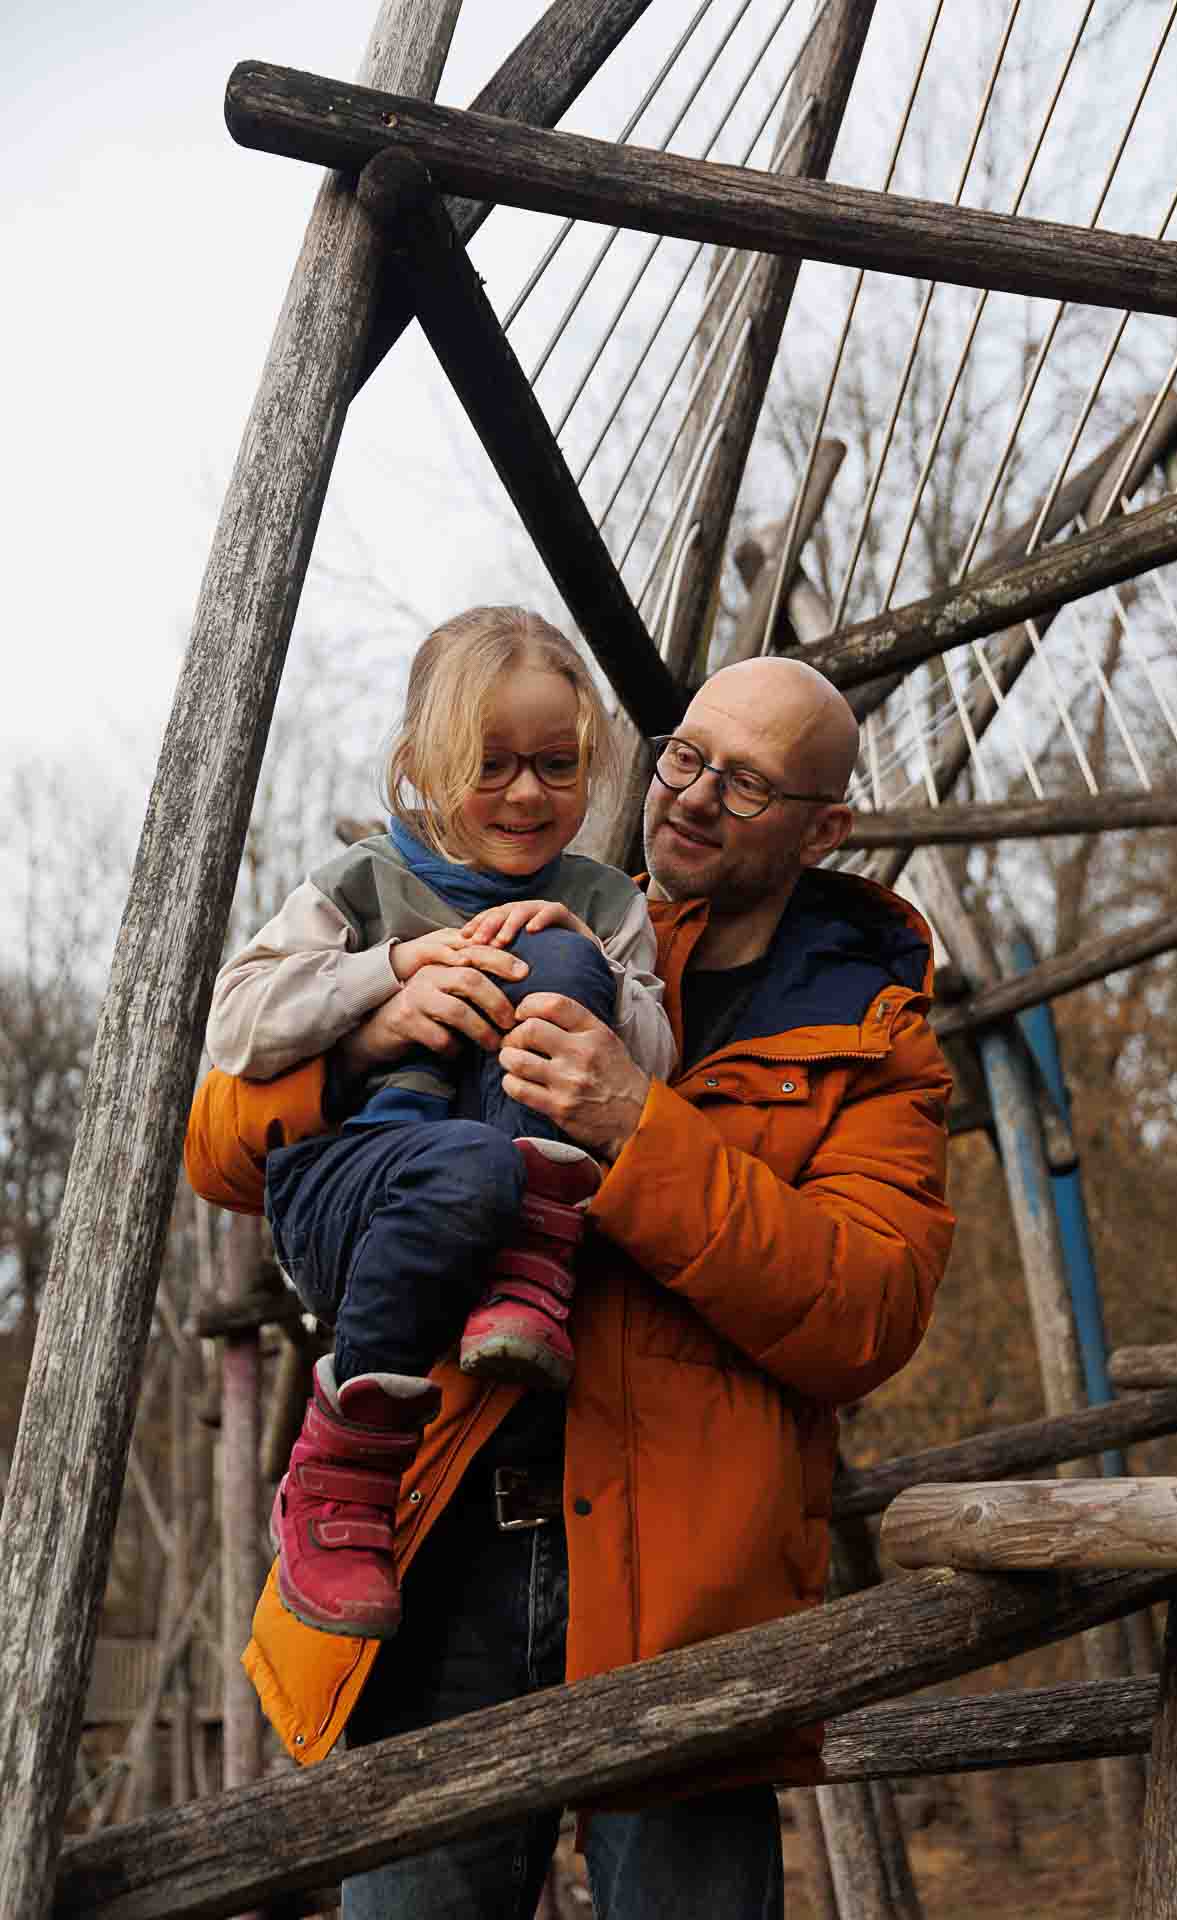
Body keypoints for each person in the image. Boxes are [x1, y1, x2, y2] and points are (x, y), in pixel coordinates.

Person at [185, 653, 955, 1920]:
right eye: (686, 757)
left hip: (687, 1589)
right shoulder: (541, 910)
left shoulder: (867, 1038)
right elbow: (218, 1144)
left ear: (826, 828)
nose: (694, 799)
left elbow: (861, 1312)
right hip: (442, 1554)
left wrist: (633, 1130)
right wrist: (371, 1030)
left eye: (747, 786)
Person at [204, 605, 675, 1640]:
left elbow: (654, 1060)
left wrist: (584, 955)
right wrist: (385, 980)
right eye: (490, 762)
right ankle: (337, 1479)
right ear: (422, 764)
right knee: (462, 1162)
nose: (525, 792)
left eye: (556, 765)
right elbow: (236, 1025)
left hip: (519, 1211)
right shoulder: (360, 884)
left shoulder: (601, 899)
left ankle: (528, 1264)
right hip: (359, 1200)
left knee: (552, 970)